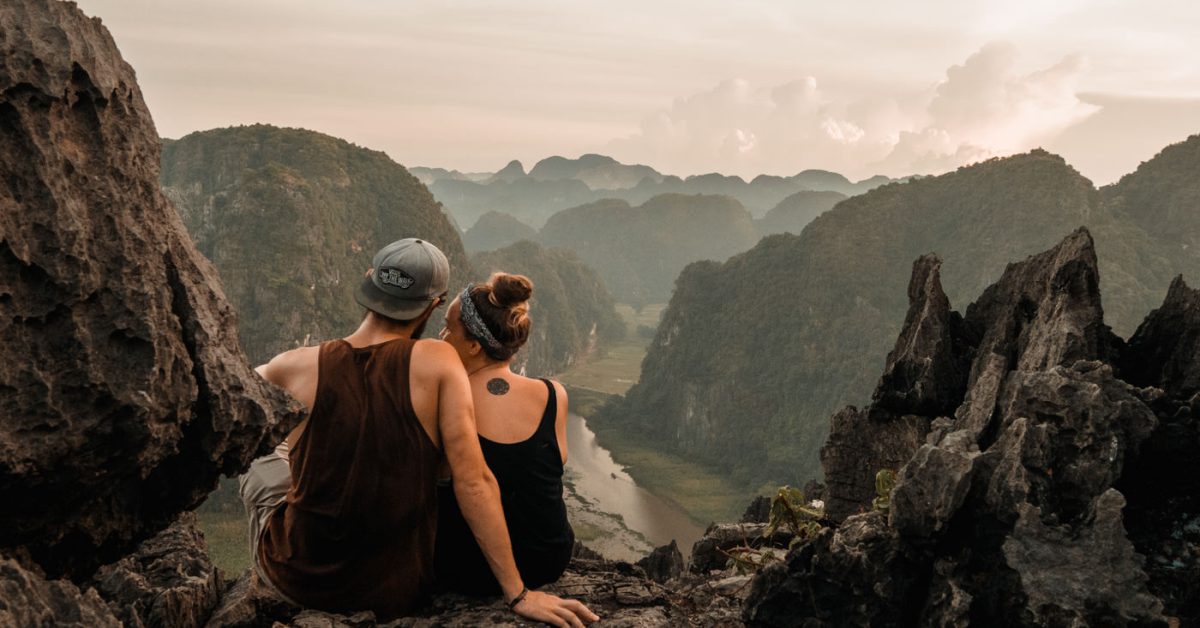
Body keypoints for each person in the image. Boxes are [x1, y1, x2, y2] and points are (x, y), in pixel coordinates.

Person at [238, 238, 597, 627]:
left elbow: (234, 401)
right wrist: (518, 594)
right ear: (434, 304)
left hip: (294, 578)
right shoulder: (440, 361)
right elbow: (474, 481)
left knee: (264, 457)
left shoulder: (291, 365)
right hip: (394, 592)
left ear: (367, 282)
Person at [434, 273, 574, 594]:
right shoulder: (554, 395)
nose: (441, 336)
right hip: (549, 560)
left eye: (448, 327)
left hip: (470, 568)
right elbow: (553, 466)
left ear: (472, 345)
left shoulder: (446, 401)